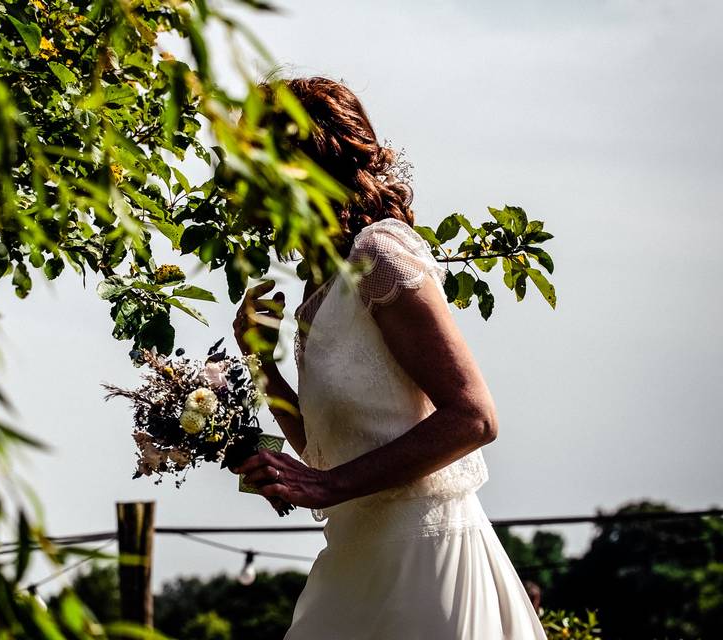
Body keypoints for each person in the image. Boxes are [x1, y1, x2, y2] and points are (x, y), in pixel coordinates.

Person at [230, 77, 546, 639]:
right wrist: (262, 367)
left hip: (426, 562)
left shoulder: (379, 254)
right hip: (355, 559)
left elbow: (474, 417)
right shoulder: (318, 292)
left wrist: (323, 488)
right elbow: (323, 453)